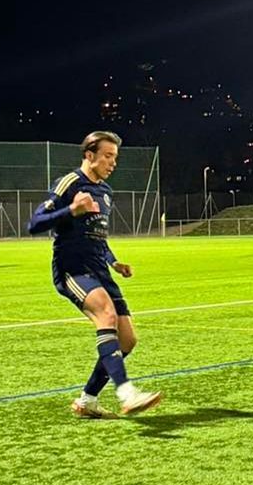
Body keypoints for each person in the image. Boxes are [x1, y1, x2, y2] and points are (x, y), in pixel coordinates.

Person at [28, 130, 162, 418]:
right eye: (107, 156)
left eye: (115, 157)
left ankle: (87, 400)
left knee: (127, 340)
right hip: (72, 268)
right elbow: (35, 223)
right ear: (89, 155)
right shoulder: (70, 183)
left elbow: (98, 235)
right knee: (106, 315)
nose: (113, 163)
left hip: (100, 268)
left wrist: (114, 262)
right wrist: (72, 210)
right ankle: (126, 393)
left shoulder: (106, 192)